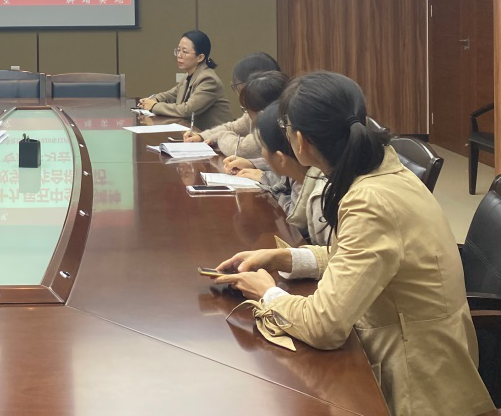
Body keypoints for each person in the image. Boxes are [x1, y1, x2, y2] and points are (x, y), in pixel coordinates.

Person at [213, 72, 493, 416]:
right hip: (412, 351)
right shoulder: (380, 171)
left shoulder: (369, 201)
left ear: (299, 141)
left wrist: (267, 294)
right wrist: (284, 258)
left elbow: (325, 326)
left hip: (416, 384)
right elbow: (355, 257)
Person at [239, 101, 328, 243]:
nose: (262, 154)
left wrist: (270, 185)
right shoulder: (300, 174)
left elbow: (293, 219)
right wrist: (254, 165)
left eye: (262, 147)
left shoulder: (319, 197)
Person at [183, 52, 281, 158]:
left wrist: (220, 137)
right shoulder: (256, 110)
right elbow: (232, 127)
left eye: (236, 86)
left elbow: (241, 149)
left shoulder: (274, 117)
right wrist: (202, 136)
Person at [137, 30, 231, 130]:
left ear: (200, 57)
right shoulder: (189, 75)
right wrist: (153, 99)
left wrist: (154, 106)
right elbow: (171, 95)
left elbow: (187, 110)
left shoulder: (208, 79)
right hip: (195, 133)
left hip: (215, 137)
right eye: (178, 50)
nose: (179, 55)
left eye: (185, 52)